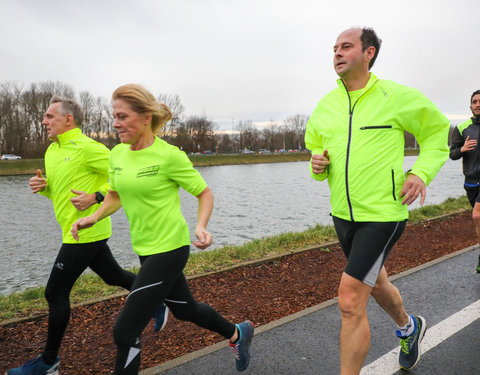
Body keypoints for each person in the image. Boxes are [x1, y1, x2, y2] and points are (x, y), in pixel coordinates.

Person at [71, 84, 254, 374]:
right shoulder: (117, 154)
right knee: (185, 309)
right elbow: (116, 194)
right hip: (145, 248)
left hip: (170, 248)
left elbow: (204, 192)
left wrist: (201, 226)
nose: (116, 123)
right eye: (114, 116)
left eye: (122, 116)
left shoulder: (169, 156)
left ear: (145, 117)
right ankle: (238, 333)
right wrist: (94, 217)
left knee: (125, 331)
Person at [305, 27, 450, 374]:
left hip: (383, 214)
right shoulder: (326, 104)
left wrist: (420, 173)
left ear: (368, 53)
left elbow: (438, 132)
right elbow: (316, 151)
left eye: (346, 47)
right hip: (342, 214)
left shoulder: (395, 95)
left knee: (350, 300)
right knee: (377, 282)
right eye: (334, 48)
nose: (337, 53)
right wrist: (317, 164)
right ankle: (409, 328)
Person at [6, 96, 168, 375]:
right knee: (113, 275)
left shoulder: (88, 148)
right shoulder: (53, 151)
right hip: (74, 230)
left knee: (54, 293)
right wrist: (43, 186)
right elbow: (61, 192)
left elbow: (127, 176)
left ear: (68, 119)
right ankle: (157, 298)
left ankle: (48, 362)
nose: (43, 121)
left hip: (87, 232)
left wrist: (96, 197)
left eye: (49, 117)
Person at [449, 90, 480, 273]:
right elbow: (452, 154)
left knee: (477, 215)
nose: (478, 104)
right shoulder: (461, 128)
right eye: (474, 101)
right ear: (470, 106)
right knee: (479, 220)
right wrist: (462, 149)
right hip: (470, 181)